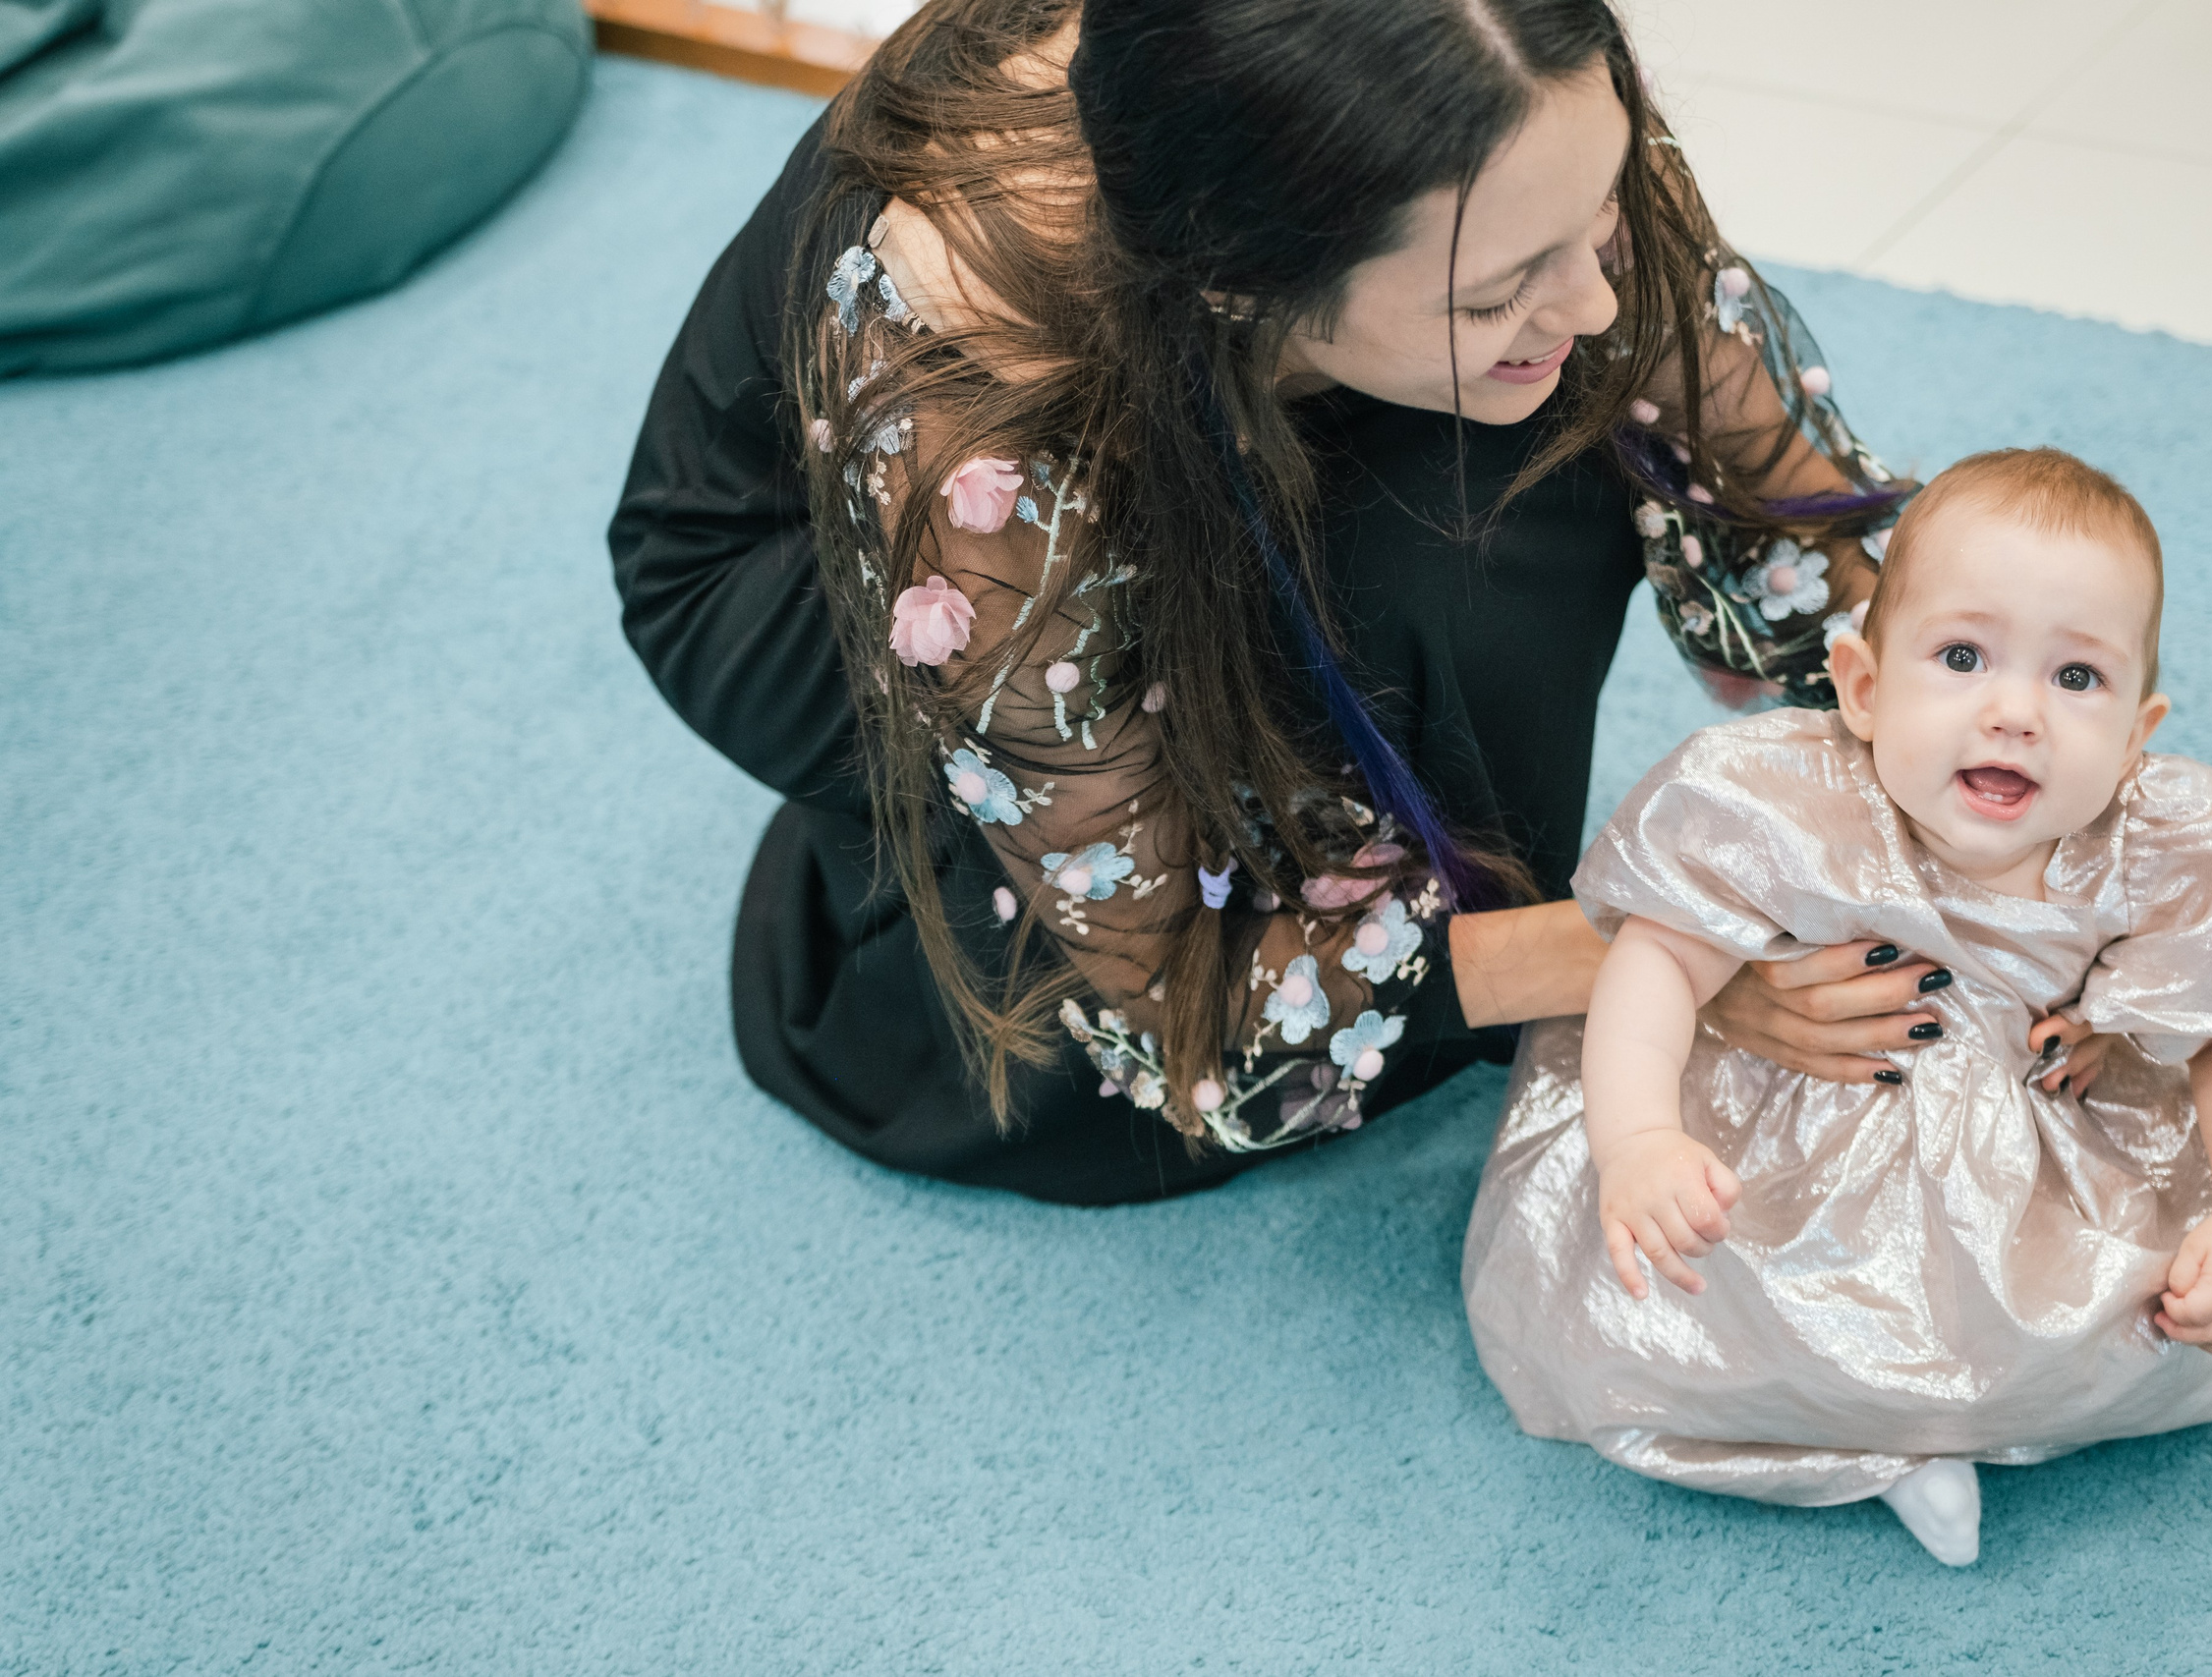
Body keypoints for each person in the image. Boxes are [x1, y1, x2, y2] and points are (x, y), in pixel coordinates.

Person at [609, 0, 2047, 1206]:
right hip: (813, 576)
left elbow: (1763, 482)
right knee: (1131, 947)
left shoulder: (1484, 71)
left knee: (1501, 494)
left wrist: (1984, 729)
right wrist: (1662, 950)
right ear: (1247, 285)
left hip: (1250, 327)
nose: (1596, 301)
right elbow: (1207, 1024)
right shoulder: (981, 379)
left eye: (1591, 218)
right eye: (1502, 290)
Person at [1461, 449, 2212, 1565]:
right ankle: (1873, 1449)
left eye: (2076, 678)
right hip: (1808, 1135)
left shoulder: (2164, 851)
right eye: (1961, 656)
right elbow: (1651, 966)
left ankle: (2196, 1357)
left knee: (2157, 1294)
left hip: (2040, 1138)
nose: (2014, 712)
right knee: (1743, 1312)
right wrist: (1641, 1139)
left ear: (2138, 733)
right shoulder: (1787, 808)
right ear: (1862, 686)